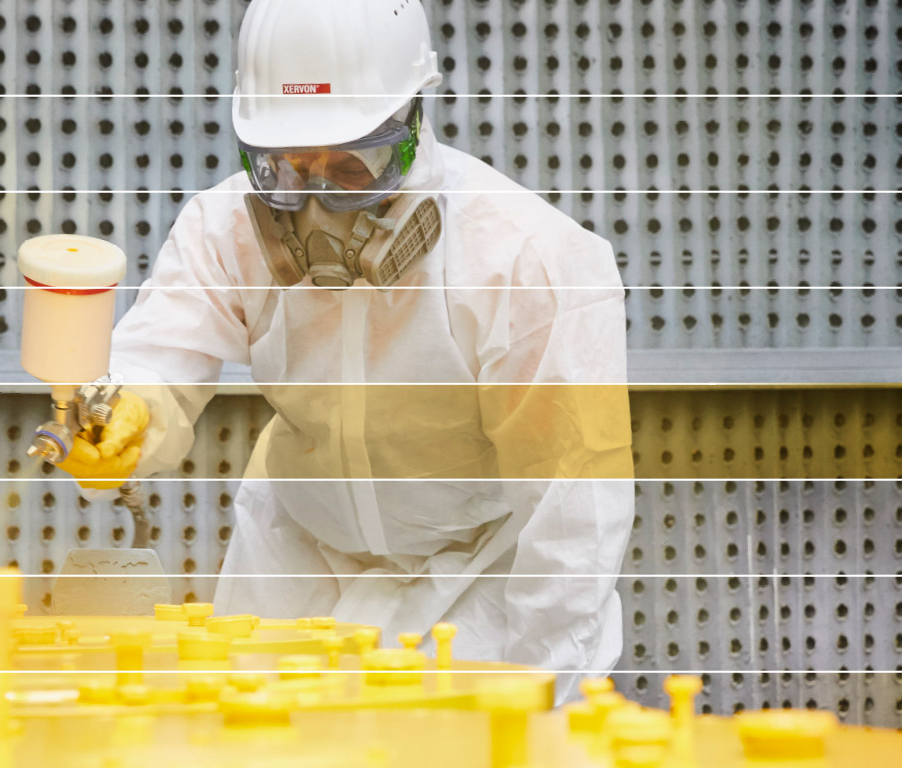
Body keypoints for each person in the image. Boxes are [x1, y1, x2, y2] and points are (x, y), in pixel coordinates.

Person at [53, 0, 635, 696]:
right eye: (287, 170)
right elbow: (158, 364)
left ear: (414, 125)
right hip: (293, 570)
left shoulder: (526, 261)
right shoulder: (225, 228)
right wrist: (129, 416)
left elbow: (573, 510)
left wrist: (533, 696)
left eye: (353, 169)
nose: (317, 207)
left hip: (475, 590)